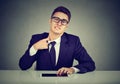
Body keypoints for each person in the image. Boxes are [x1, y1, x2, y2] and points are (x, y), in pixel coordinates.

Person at [19, 6, 95, 75]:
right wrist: (35, 47)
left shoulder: (73, 41)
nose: (59, 23)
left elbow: (90, 64)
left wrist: (72, 69)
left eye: (64, 21)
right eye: (56, 19)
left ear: (66, 26)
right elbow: (23, 66)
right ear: (50, 21)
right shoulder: (37, 39)